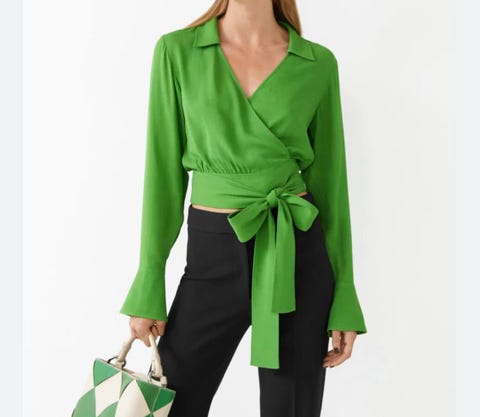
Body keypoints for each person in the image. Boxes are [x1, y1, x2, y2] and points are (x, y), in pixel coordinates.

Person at [119, 0, 367, 415]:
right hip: (212, 255)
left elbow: (331, 188)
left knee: (291, 408)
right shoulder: (177, 51)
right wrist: (148, 281)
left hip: (296, 255)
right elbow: (162, 174)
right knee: (172, 402)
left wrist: (344, 295)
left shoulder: (317, 63)